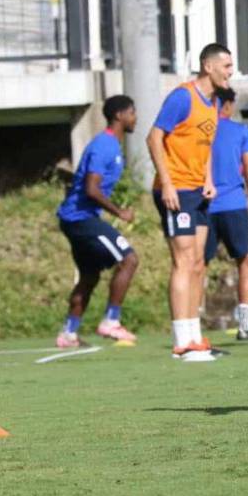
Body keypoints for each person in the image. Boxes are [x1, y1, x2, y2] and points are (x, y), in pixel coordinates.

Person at [147, 43, 233, 362]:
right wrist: (167, 183)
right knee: (183, 260)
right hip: (176, 190)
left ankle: (196, 337)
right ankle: (181, 341)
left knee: (198, 262)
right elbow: (154, 137)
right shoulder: (182, 96)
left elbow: (204, 147)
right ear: (208, 66)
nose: (230, 72)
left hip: (197, 190)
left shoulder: (212, 103)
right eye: (226, 65)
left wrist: (208, 179)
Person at [55, 95, 140, 348]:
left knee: (90, 275)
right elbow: (91, 189)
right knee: (129, 259)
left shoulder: (111, 145)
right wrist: (119, 213)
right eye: (132, 112)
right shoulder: (105, 145)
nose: (135, 117)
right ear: (119, 116)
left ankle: (69, 333)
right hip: (80, 219)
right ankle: (111, 321)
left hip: (77, 219)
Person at [204, 87, 248, 340]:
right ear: (228, 105)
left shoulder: (202, 131)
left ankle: (190, 326)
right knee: (245, 262)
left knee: (197, 266)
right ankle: (244, 327)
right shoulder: (241, 131)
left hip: (204, 206)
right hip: (233, 205)